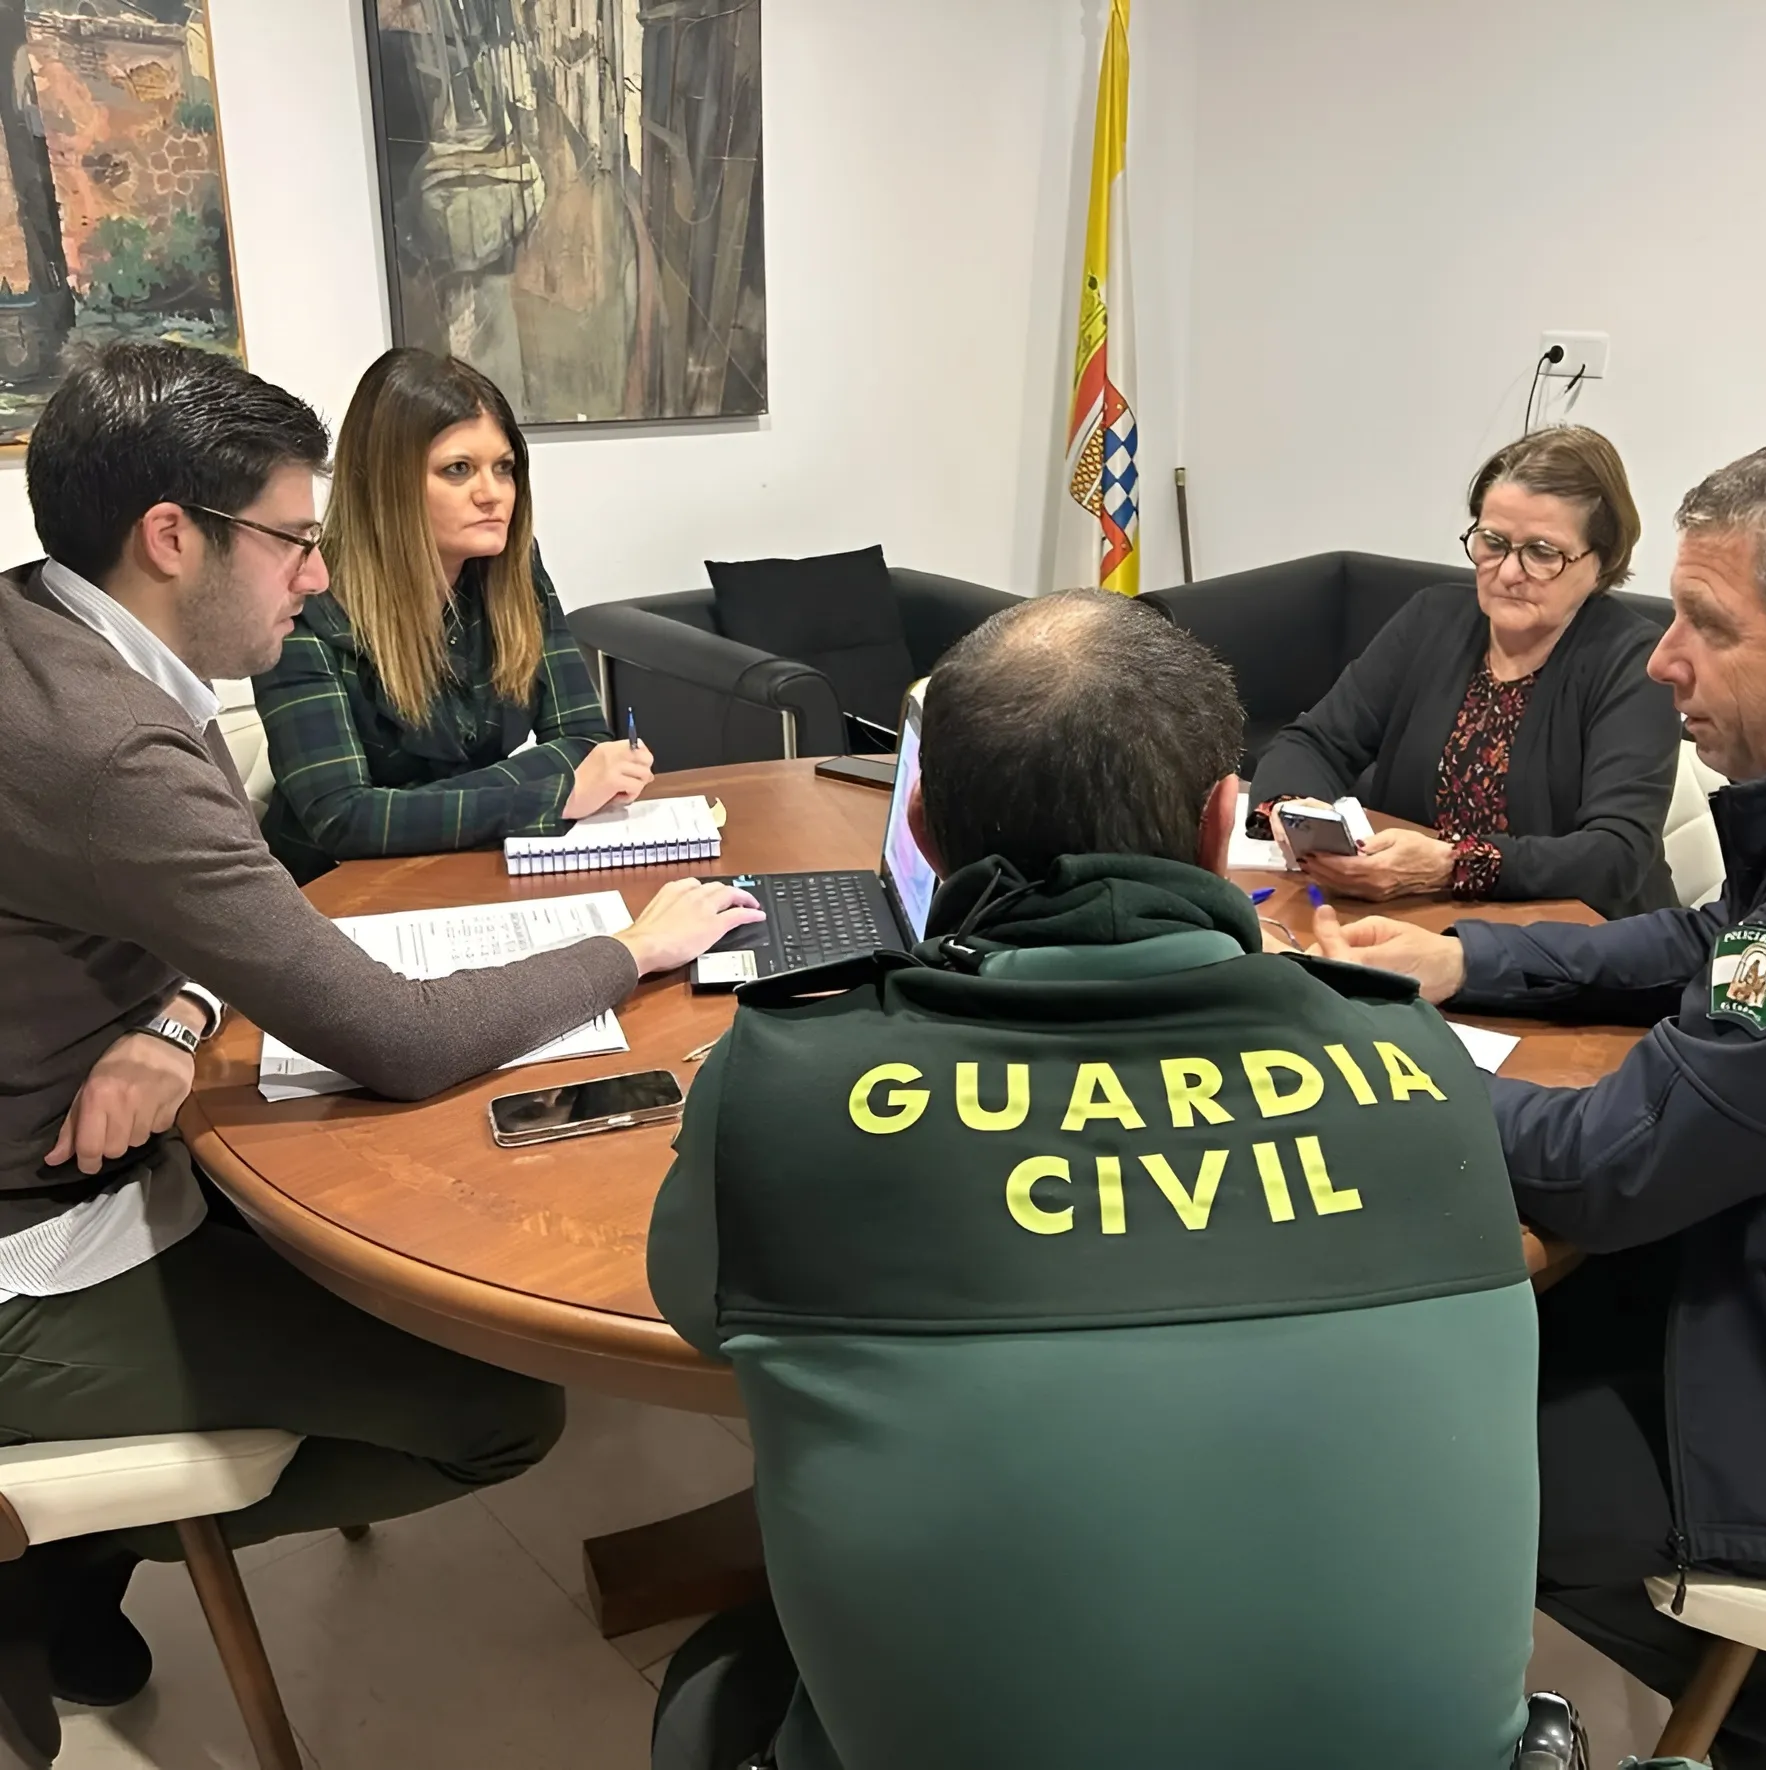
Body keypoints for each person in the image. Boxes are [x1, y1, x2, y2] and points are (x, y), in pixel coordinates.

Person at [0, 342, 762, 1744]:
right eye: (294, 539)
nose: (315, 570)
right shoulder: (110, 745)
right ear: (172, 537)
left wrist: (172, 1012)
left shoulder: (42, 637)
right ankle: (48, 1563)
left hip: (99, 1134)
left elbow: (185, 903)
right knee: (502, 1408)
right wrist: (631, 949)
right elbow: (392, 1035)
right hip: (34, 1239)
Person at [645, 591, 1544, 1768]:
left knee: (715, 1678)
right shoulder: (1411, 1059)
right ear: (1223, 823)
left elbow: (697, 1316)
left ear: (915, 821)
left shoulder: (783, 1085)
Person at [1310, 430, 1766, 1770]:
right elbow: (1719, 938)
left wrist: (1356, 1060)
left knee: (1395, 1438)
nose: (1661, 659)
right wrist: (1468, 958)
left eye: (1706, 624)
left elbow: (1605, 1159)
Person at [1248, 426, 1681, 919]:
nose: (1508, 572)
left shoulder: (1638, 662)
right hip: (1416, 918)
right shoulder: (1433, 618)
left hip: (1576, 945)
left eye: (1542, 553)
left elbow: (1615, 855)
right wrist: (1293, 812)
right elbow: (1315, 742)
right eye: (1493, 542)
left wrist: (1451, 865)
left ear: (1602, 563)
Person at [254, 347, 651, 883]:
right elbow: (343, 817)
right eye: (458, 469)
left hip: (477, 867)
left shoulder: (514, 568)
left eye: (504, 468)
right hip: (340, 894)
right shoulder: (308, 596)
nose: (493, 494)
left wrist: (420, 804)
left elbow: (585, 740)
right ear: (386, 482)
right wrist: (554, 791)